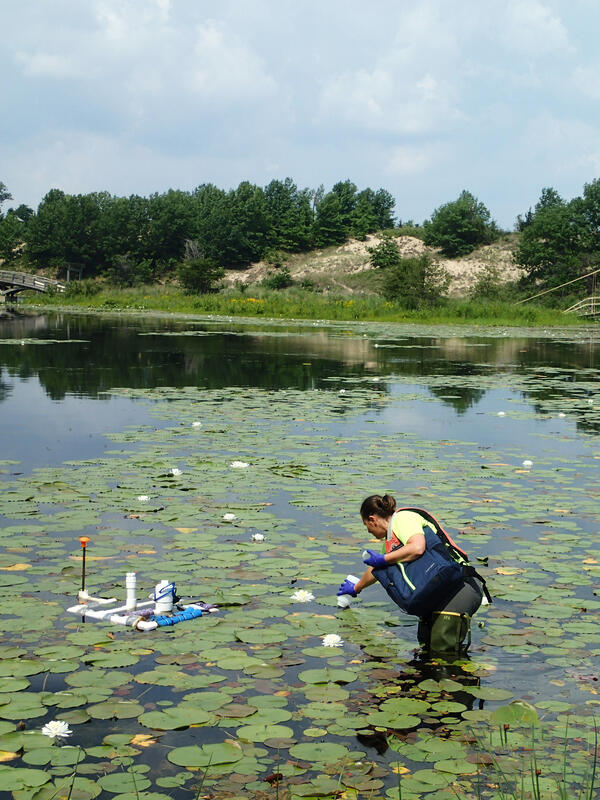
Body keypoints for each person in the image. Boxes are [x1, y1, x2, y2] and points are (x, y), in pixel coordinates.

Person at [336, 494, 486, 654]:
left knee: (442, 652)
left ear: (372, 519)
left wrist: (384, 559)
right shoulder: (392, 541)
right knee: (426, 647)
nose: (368, 531)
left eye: (367, 525)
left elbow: (417, 547)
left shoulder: (402, 519)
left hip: (460, 588)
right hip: (440, 592)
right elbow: (376, 569)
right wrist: (356, 588)